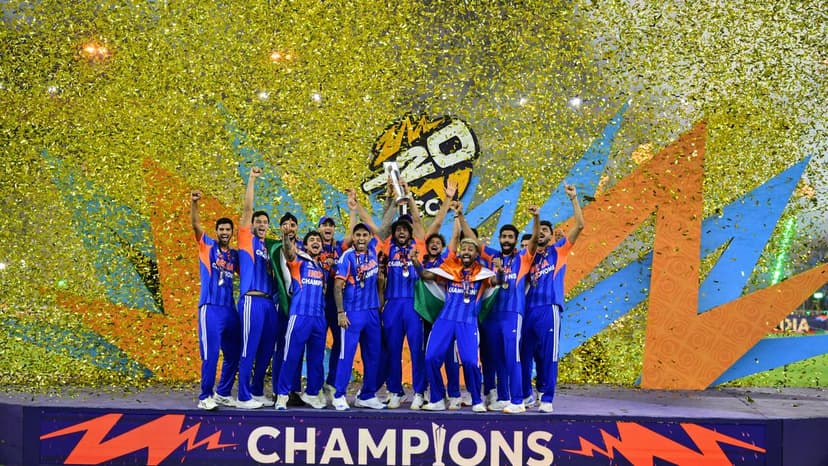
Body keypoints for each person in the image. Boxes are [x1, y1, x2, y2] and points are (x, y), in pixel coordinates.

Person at [413, 203, 499, 412]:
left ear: (476, 253)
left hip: (467, 322)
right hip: (445, 320)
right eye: (464, 249)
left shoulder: (483, 273)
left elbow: (497, 282)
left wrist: (500, 270)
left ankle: (477, 400)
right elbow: (425, 275)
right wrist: (415, 261)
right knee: (431, 358)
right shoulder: (450, 269)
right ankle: (437, 399)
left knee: (470, 361)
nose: (466, 252)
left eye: (470, 249)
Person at [522, 183, 585, 412]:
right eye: (538, 230)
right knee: (524, 355)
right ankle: (526, 395)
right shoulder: (526, 256)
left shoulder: (558, 251)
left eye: (546, 231)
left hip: (549, 309)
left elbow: (580, 225)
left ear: (551, 236)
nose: (541, 233)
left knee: (548, 355)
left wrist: (574, 198)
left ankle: (547, 398)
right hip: (527, 310)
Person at [331, 191, 386, 410]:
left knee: (373, 356)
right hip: (352, 313)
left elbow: (380, 229)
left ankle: (367, 395)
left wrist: (358, 207)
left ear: (369, 237)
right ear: (353, 238)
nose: (361, 238)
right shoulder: (347, 257)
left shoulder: (373, 250)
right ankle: (339, 395)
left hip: (372, 312)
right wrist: (340, 312)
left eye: (365, 235)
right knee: (346, 355)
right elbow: (337, 286)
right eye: (358, 235)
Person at [482, 207, 540, 414]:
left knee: (512, 356)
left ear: (515, 240)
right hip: (493, 315)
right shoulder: (492, 257)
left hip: (512, 313)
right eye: (504, 236)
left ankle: (518, 400)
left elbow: (534, 239)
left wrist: (536, 217)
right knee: (497, 358)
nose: (506, 240)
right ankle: (503, 397)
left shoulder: (522, 258)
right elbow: (473, 241)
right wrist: (459, 216)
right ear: (499, 239)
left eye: (510, 237)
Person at [190, 190, 241, 410]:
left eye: (228, 229)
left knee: (235, 352)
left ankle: (222, 393)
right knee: (210, 355)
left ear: (232, 233)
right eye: (221, 229)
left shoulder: (234, 255)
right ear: (217, 231)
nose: (224, 232)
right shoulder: (207, 246)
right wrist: (194, 203)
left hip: (229, 309)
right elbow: (195, 225)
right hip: (210, 307)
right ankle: (205, 397)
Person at [236, 167, 279, 409]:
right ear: (251, 224)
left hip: (268, 303)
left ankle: (256, 390)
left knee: (266, 349)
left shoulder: (269, 247)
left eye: (265, 222)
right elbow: (247, 209)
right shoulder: (246, 239)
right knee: (248, 349)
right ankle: (243, 397)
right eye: (258, 221)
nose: (262, 224)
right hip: (251, 301)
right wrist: (252, 179)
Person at [274, 229, 328, 410]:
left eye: (318, 240)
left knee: (316, 360)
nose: (316, 242)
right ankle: (282, 395)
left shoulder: (322, 268)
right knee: (291, 356)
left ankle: (312, 393)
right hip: (299, 316)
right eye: (311, 240)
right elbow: (288, 252)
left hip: (318, 319)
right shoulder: (298, 261)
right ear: (305, 245)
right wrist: (286, 238)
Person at [317, 216, 345, 400]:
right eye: (324, 225)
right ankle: (316, 385)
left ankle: (332, 382)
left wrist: (353, 211)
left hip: (336, 301)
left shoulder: (340, 247)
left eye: (331, 225)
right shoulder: (312, 245)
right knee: (317, 344)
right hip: (318, 301)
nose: (328, 228)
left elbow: (351, 236)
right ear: (319, 228)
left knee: (340, 342)